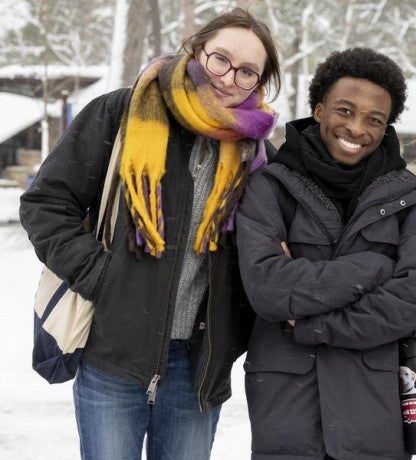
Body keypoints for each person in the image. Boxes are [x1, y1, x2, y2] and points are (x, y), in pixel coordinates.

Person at [20, 8, 280, 460]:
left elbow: (262, 253)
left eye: (246, 72)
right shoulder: (121, 113)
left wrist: (234, 329)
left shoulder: (257, 154)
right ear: (196, 50)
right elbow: (46, 205)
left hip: (198, 369)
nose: (228, 78)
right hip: (114, 356)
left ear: (258, 82)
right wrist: (104, 278)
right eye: (220, 59)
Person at [235, 47, 416, 459]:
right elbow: (268, 289)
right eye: (344, 111)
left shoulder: (414, 200)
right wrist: (375, 267)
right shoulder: (270, 187)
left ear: (386, 129)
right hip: (287, 410)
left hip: (374, 414)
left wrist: (313, 323)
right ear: (318, 110)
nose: (356, 127)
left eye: (374, 120)